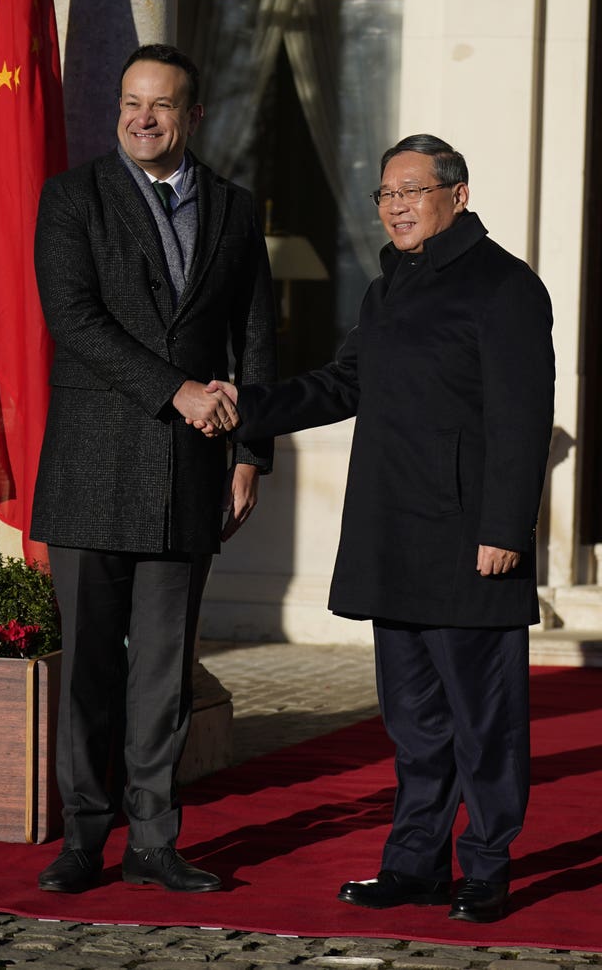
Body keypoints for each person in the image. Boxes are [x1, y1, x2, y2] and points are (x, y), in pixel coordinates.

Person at [199, 134, 555, 923]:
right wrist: (247, 404)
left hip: (472, 543)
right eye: (385, 194)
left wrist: (506, 529)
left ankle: (487, 868)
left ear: (456, 195)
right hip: (394, 535)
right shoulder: (388, 284)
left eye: (410, 191)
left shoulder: (506, 287)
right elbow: (344, 383)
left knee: (483, 723)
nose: (394, 206)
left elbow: (524, 420)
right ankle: (414, 864)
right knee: (416, 722)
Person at [31, 44, 276, 894]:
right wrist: (177, 391)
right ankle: (82, 838)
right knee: (89, 669)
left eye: (161, 105)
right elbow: (73, 317)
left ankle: (153, 841)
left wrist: (251, 455)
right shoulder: (72, 197)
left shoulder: (238, 210)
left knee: (164, 672)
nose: (141, 116)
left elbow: (254, 337)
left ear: (192, 116)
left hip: (193, 471)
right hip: (92, 467)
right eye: (131, 101)